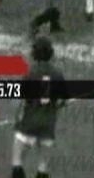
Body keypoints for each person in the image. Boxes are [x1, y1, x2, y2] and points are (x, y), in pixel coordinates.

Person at [11, 36, 66, 178]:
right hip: (48, 124)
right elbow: (62, 101)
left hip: (29, 122)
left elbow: (21, 99)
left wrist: (17, 116)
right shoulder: (58, 74)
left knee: (17, 162)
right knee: (43, 166)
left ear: (34, 53)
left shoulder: (30, 73)